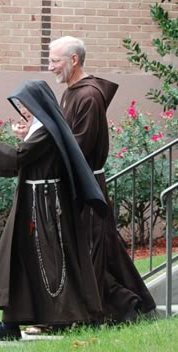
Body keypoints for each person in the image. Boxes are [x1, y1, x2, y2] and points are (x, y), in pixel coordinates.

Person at [0, 79, 108, 341]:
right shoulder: (44, 128)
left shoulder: (46, 129)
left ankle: (64, 317)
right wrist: (24, 136)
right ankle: (14, 323)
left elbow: (19, 157)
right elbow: (26, 157)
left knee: (47, 262)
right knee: (24, 260)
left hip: (43, 206)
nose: (23, 110)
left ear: (38, 104)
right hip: (35, 202)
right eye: (20, 105)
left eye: (26, 104)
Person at [47, 36, 156, 324]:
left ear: (74, 60)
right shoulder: (71, 92)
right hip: (76, 186)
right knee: (101, 252)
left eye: (55, 60)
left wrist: (42, 152)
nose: (50, 67)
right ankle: (129, 304)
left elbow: (78, 147)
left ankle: (105, 311)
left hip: (87, 189)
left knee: (90, 252)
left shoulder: (88, 96)